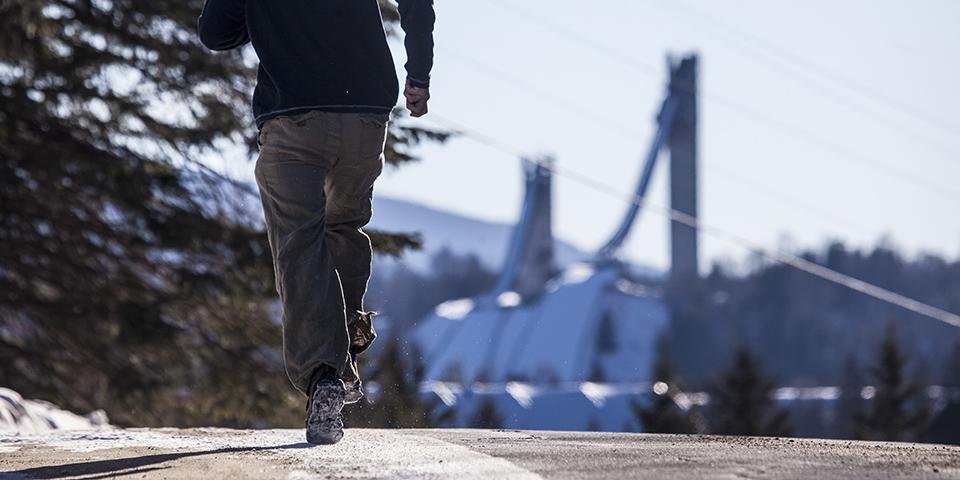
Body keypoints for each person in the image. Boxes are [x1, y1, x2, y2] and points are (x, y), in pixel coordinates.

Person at [196, 0, 434, 444]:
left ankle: (326, 376)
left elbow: (216, 33)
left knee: (300, 246)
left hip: (294, 116)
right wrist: (418, 73)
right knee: (342, 228)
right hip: (365, 114)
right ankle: (343, 345)